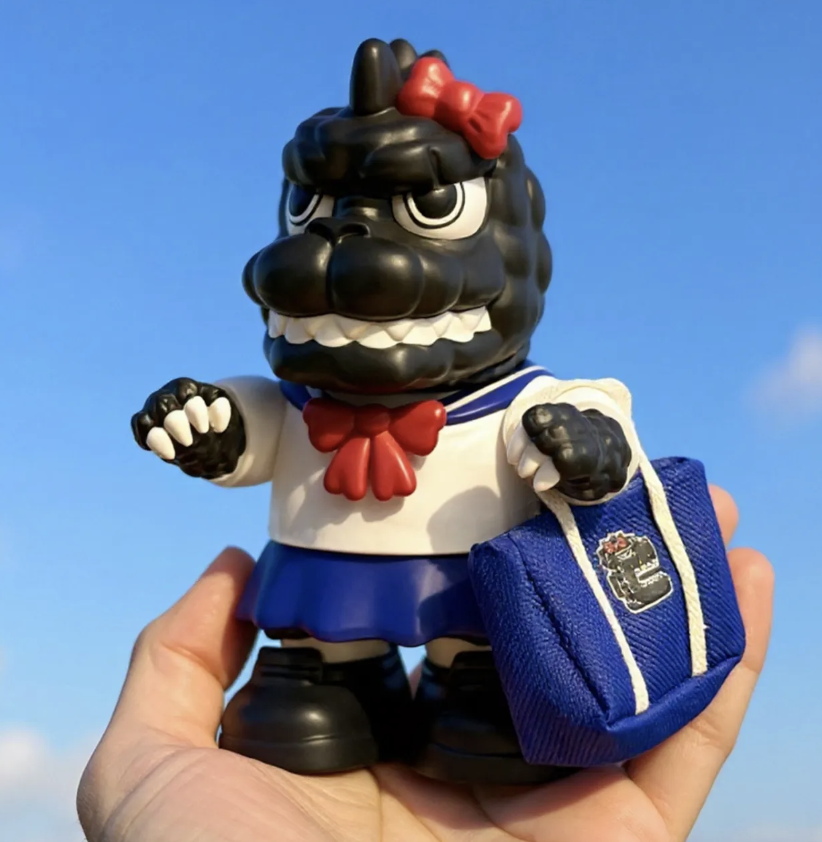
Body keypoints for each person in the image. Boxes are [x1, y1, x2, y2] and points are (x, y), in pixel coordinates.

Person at [76, 487, 773, 842]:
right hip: (329, 558)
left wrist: (582, 443)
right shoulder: (298, 403)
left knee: (479, 640)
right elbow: (247, 430)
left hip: (466, 575)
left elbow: (589, 415)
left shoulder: (516, 399)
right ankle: (331, 678)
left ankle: (475, 690)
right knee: (321, 632)